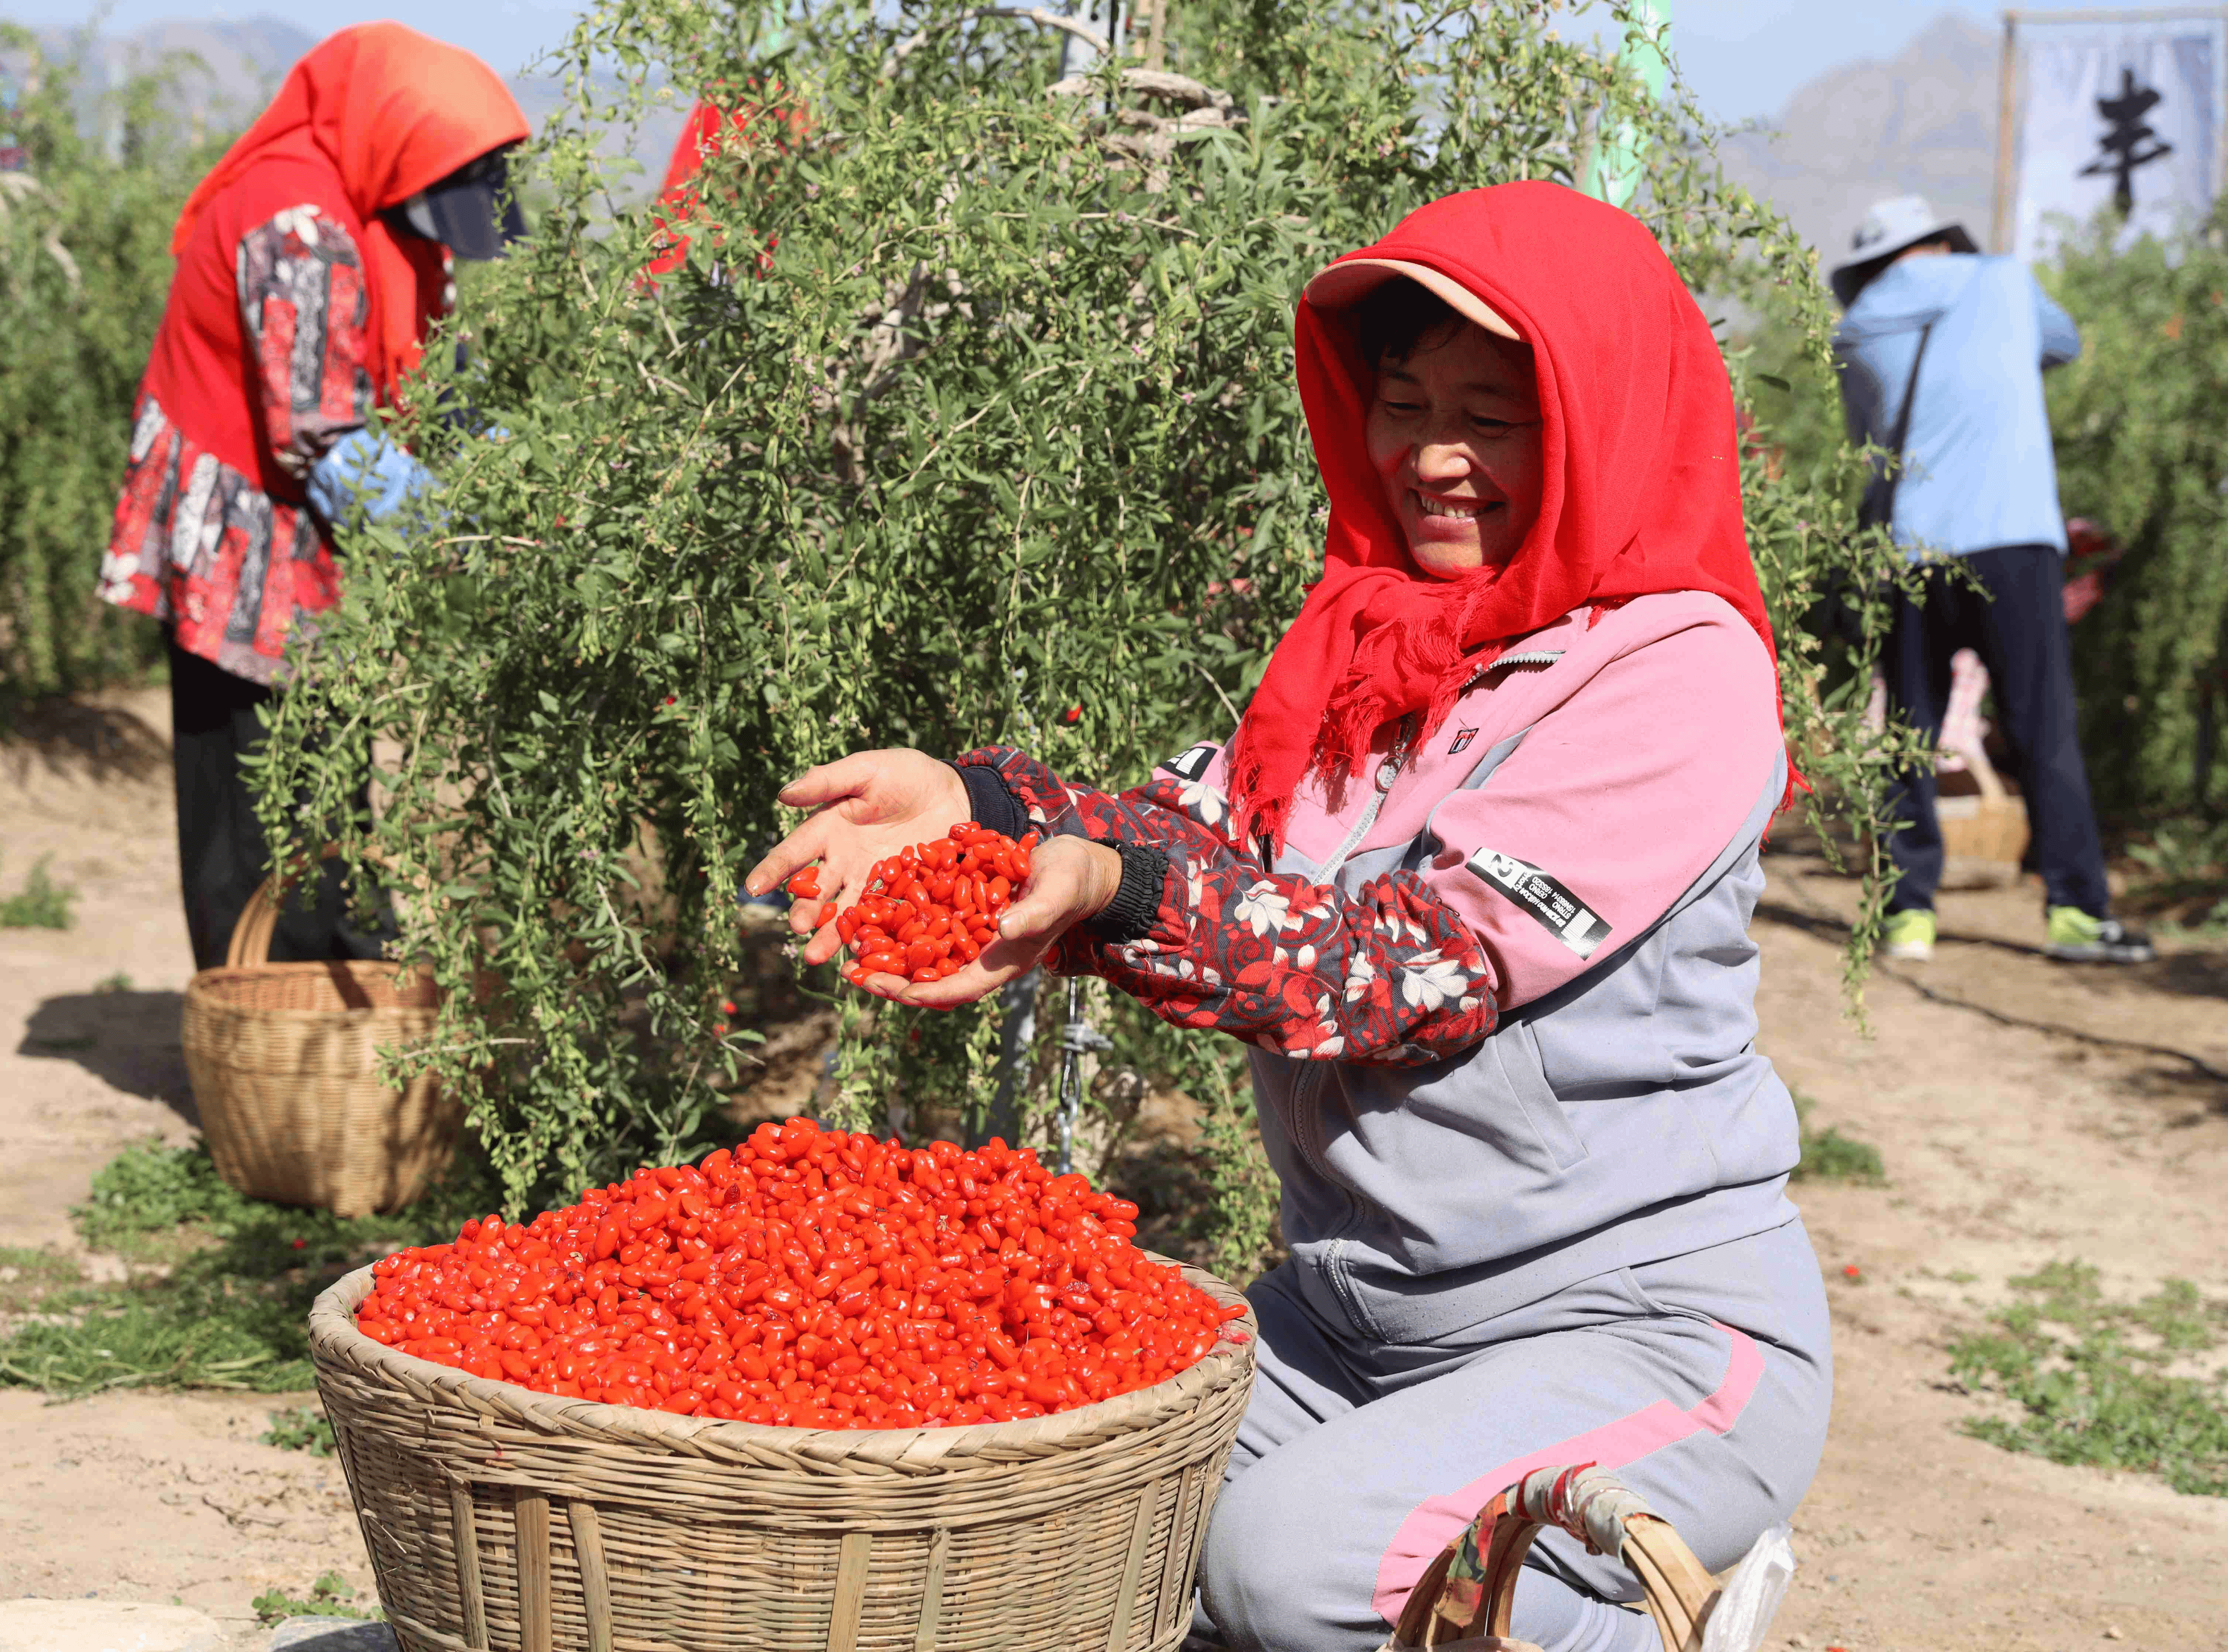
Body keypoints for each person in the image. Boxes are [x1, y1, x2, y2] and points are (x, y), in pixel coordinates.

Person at [749, 182, 1829, 1652]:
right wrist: (992, 815)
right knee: (1078, 1501)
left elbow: (1407, 971)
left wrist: (1114, 891)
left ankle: (1645, 1632)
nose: (1431, 459)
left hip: (1630, 1330)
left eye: (1491, 419)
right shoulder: (1375, 644)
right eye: (1401, 403)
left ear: (1597, 422)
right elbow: (1187, 839)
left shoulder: (1673, 674)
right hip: (1349, 1328)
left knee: (1284, 1569)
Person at [96, 23, 528, 971]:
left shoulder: (381, 210)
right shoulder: (293, 221)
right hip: (237, 546)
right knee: (251, 807)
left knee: (325, 792)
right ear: (394, 140)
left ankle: (335, 1016)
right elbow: (322, 435)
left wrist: (524, 470)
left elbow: (429, 391)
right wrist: (489, 539)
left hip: (306, 543)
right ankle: (262, 1032)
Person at [1830, 194, 2150, 965]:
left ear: (1870, 268)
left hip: (1911, 546)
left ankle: (1906, 916)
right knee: (2042, 726)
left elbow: (1867, 452)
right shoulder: (2002, 281)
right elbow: (2062, 345)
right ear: (1942, 243)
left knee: (1907, 730)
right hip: (2012, 536)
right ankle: (2075, 912)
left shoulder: (1854, 328)